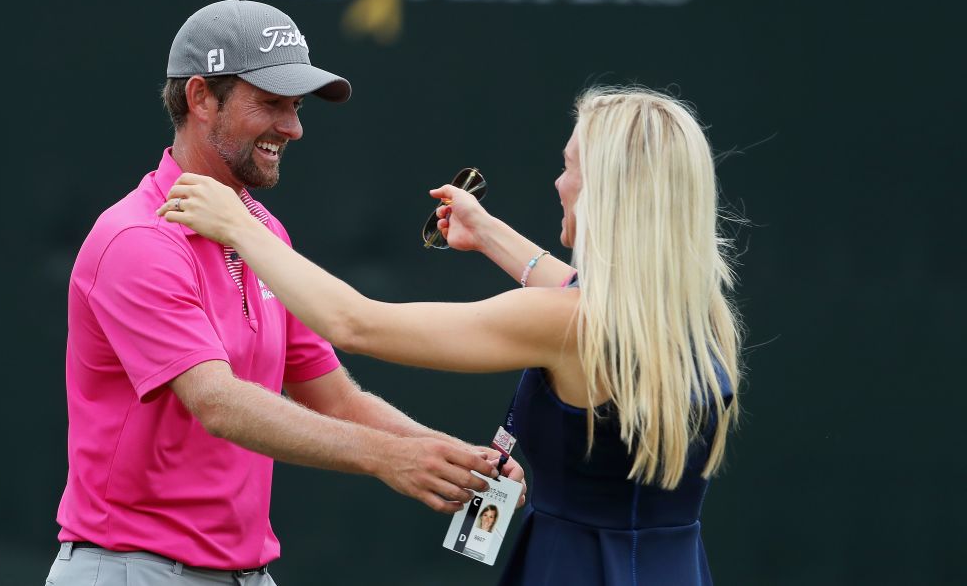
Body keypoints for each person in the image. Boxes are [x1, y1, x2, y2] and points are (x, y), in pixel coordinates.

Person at [158, 87, 743, 586]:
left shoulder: (566, 323)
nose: (559, 183)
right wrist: (487, 233)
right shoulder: (692, 313)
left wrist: (238, 225)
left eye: (571, 167)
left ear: (608, 193)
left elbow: (354, 323)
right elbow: (573, 284)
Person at [46, 0, 523, 586]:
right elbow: (217, 403)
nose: (293, 128)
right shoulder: (137, 238)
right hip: (131, 570)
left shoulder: (261, 232)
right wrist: (389, 458)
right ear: (199, 98)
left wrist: (455, 459)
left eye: (295, 108)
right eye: (270, 104)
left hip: (245, 573)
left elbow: (337, 399)